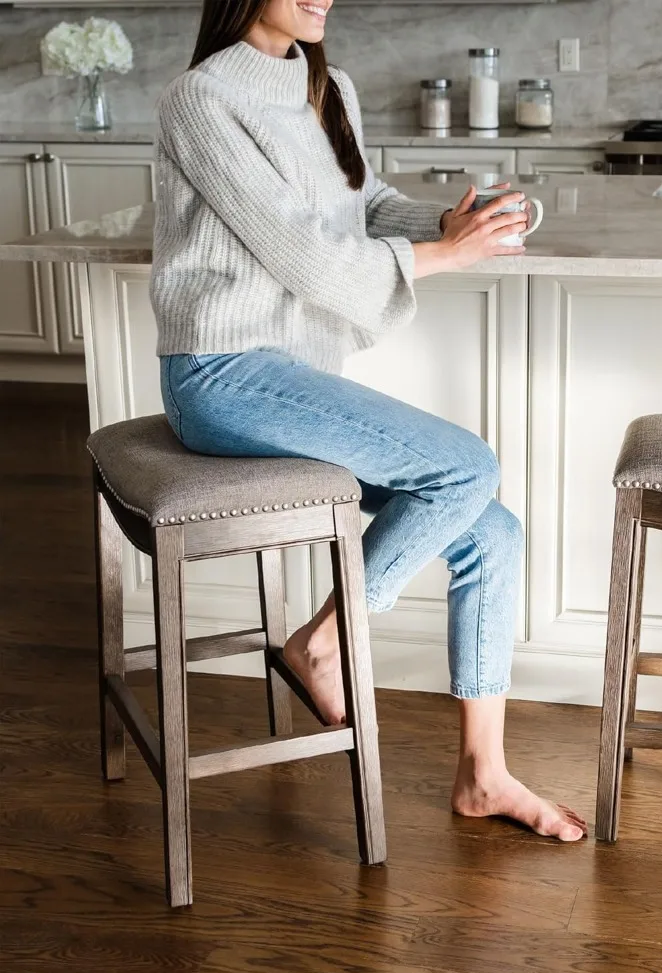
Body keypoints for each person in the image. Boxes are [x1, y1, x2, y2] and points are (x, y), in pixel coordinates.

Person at [152, 0, 586, 842]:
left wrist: (451, 224)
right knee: (465, 466)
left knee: (492, 530)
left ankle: (483, 776)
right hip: (221, 373)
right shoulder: (199, 101)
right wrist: (445, 258)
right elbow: (303, 254)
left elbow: (360, 205)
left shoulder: (327, 85)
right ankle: (326, 639)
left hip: (287, 375)